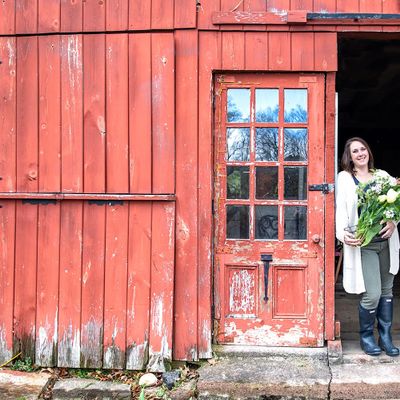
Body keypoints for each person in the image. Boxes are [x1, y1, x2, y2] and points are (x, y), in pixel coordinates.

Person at [336, 137, 400, 356]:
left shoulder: (382, 176)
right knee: (372, 294)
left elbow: (396, 203)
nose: (361, 153)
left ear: (368, 152)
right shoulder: (345, 178)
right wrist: (343, 233)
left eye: (363, 149)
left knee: (386, 291)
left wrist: (393, 222)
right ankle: (366, 338)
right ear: (349, 156)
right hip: (365, 243)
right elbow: (341, 210)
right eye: (355, 151)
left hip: (387, 242)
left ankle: (385, 338)